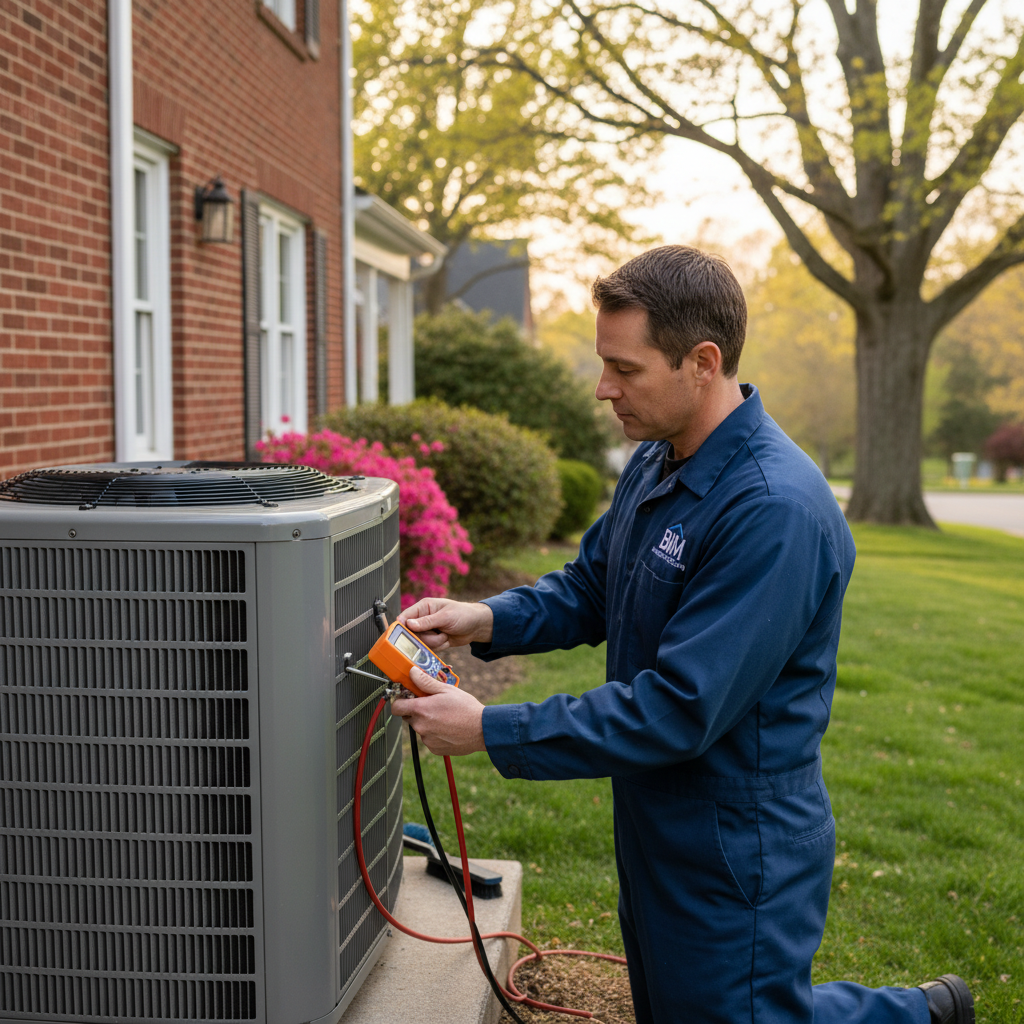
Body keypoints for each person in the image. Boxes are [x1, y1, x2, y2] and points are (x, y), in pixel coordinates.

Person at [390, 246, 974, 1024]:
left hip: (733, 840)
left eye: (625, 370)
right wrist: (487, 618)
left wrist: (492, 729)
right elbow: (595, 585)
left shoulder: (773, 511)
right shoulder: (659, 459)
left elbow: (679, 707)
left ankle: (920, 1016)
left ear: (702, 362)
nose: (605, 390)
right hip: (655, 810)